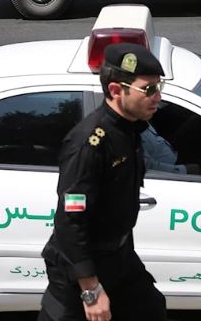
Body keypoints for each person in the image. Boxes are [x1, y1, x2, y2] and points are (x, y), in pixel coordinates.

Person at [38, 42, 168, 321]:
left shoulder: (129, 129)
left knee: (151, 310)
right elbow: (70, 221)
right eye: (148, 89)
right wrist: (90, 290)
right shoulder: (90, 144)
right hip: (81, 266)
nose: (157, 97)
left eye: (159, 87)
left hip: (119, 257)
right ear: (116, 90)